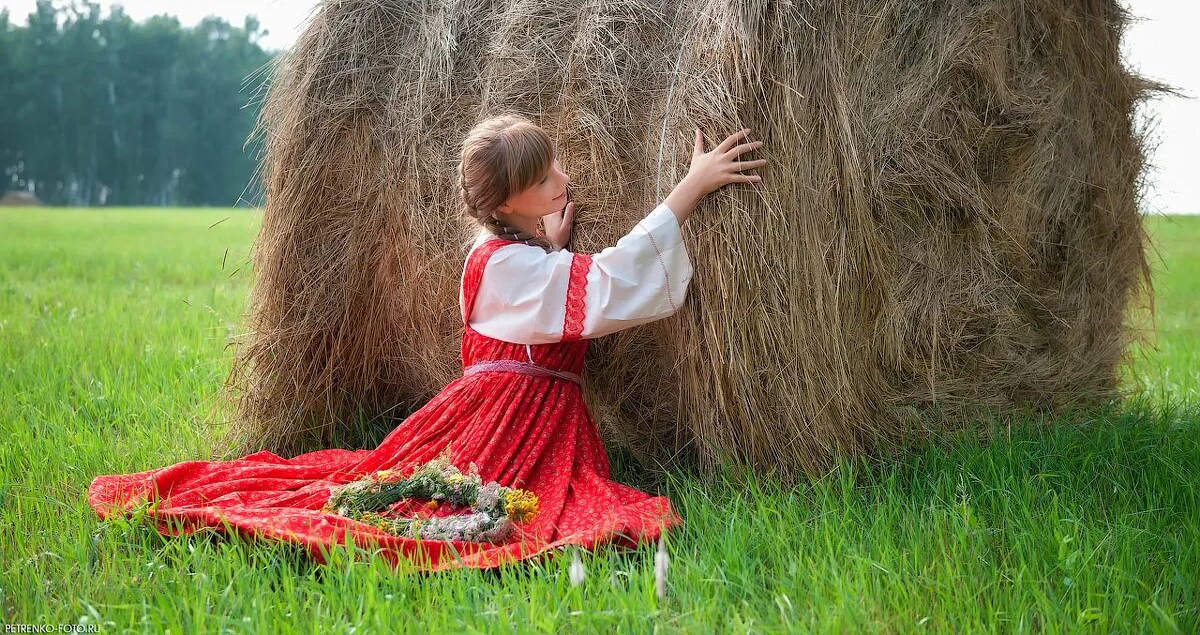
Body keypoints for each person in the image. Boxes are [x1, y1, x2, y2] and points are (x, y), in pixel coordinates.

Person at [87, 114, 766, 573]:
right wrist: (689, 188)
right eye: (542, 180)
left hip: (538, 414)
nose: (562, 181)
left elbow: (550, 280)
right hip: (507, 423)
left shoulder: (513, 250)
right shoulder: (502, 265)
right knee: (416, 507)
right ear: (507, 205)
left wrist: (551, 240)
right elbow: (606, 281)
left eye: (553, 166)